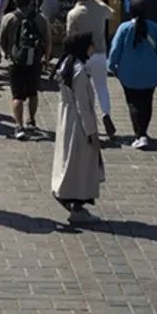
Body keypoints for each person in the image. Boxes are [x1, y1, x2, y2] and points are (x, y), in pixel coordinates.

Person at [52, 31, 106, 225]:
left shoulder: (67, 66)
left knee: (69, 160)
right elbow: (83, 105)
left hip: (67, 120)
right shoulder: (79, 71)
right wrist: (92, 132)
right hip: (79, 124)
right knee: (80, 165)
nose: (93, 47)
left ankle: (67, 195)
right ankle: (76, 205)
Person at [107, 0, 157, 149]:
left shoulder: (124, 28)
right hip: (151, 72)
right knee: (147, 102)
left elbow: (115, 49)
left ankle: (140, 134)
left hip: (128, 73)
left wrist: (111, 66)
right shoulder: (154, 27)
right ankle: (143, 131)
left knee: (133, 103)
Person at [0, 0, 51, 140]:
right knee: (33, 92)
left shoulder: (9, 18)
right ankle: (32, 120)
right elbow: (47, 40)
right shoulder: (40, 18)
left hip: (16, 60)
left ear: (15, 1)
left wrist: (6, 53)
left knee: (17, 95)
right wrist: (46, 57)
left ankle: (19, 126)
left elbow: (1, 39)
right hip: (34, 59)